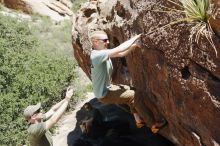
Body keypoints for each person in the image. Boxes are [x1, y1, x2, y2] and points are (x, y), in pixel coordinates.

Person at [89, 30, 167, 132]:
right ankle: (153, 125)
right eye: (104, 40)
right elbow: (119, 48)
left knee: (131, 89)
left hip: (108, 88)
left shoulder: (101, 53)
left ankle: (138, 120)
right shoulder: (97, 56)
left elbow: (121, 54)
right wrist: (136, 36)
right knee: (134, 95)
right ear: (95, 42)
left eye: (107, 39)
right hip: (104, 94)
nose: (107, 42)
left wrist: (134, 46)